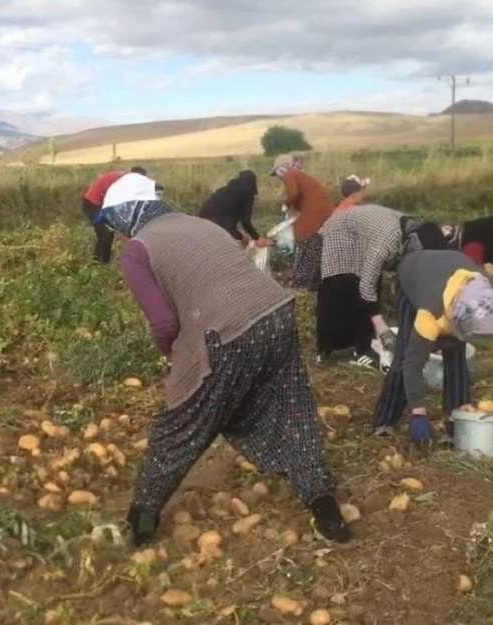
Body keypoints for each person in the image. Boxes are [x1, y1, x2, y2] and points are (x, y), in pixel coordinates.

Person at [93, 172, 352, 546]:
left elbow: (164, 323)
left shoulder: (139, 250)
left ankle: (140, 524)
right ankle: (326, 510)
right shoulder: (199, 224)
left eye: (114, 222)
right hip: (276, 311)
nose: (116, 234)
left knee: (180, 427)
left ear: (127, 214)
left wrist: (179, 357)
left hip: (227, 331)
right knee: (292, 410)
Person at [372, 250, 493, 442]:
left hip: (451, 272)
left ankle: (455, 425)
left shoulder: (490, 294)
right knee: (405, 354)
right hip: (415, 273)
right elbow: (413, 363)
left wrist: (452, 338)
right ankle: (385, 420)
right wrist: (418, 412)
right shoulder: (430, 314)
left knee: (456, 357)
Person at [315, 204, 409, 369]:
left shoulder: (412, 234)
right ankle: (327, 351)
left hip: (365, 233)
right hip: (339, 232)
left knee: (371, 286)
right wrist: (381, 327)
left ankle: (362, 346)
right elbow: (366, 286)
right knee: (340, 287)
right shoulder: (387, 240)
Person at [270, 155, 334, 291]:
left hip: (315, 215)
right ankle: (314, 285)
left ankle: (301, 286)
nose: (278, 177)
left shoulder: (289, 174)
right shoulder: (300, 175)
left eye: (277, 173)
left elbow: (293, 194)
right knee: (315, 247)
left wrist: (286, 205)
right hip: (324, 214)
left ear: (282, 167)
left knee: (304, 241)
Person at [82, 166, 147, 264]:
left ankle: (105, 262)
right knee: (104, 233)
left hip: (101, 205)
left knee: (109, 232)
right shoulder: (119, 182)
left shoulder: (127, 184)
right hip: (91, 205)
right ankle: (95, 262)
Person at [198, 170, 266, 248]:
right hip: (216, 228)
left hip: (200, 225)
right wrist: (257, 238)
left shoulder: (222, 190)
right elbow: (245, 222)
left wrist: (241, 236)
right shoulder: (247, 193)